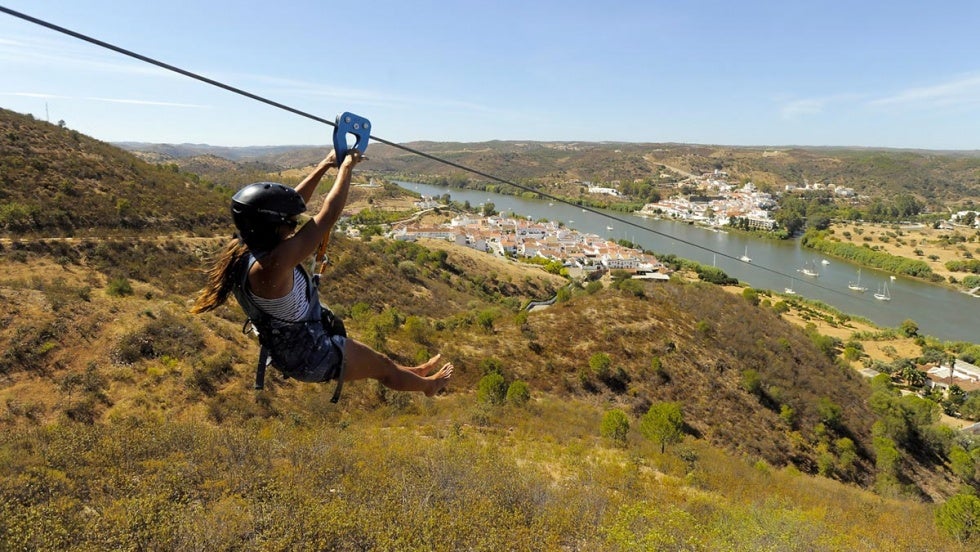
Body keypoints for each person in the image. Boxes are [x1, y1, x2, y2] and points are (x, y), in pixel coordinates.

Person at [191, 149, 452, 398]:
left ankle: (415, 374)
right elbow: (327, 216)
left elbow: (291, 204)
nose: (294, 226)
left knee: (381, 363)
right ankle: (427, 387)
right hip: (315, 355)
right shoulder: (272, 264)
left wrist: (324, 165)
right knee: (383, 370)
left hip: (303, 345)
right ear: (271, 227)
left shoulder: (244, 246)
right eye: (290, 224)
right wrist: (346, 168)